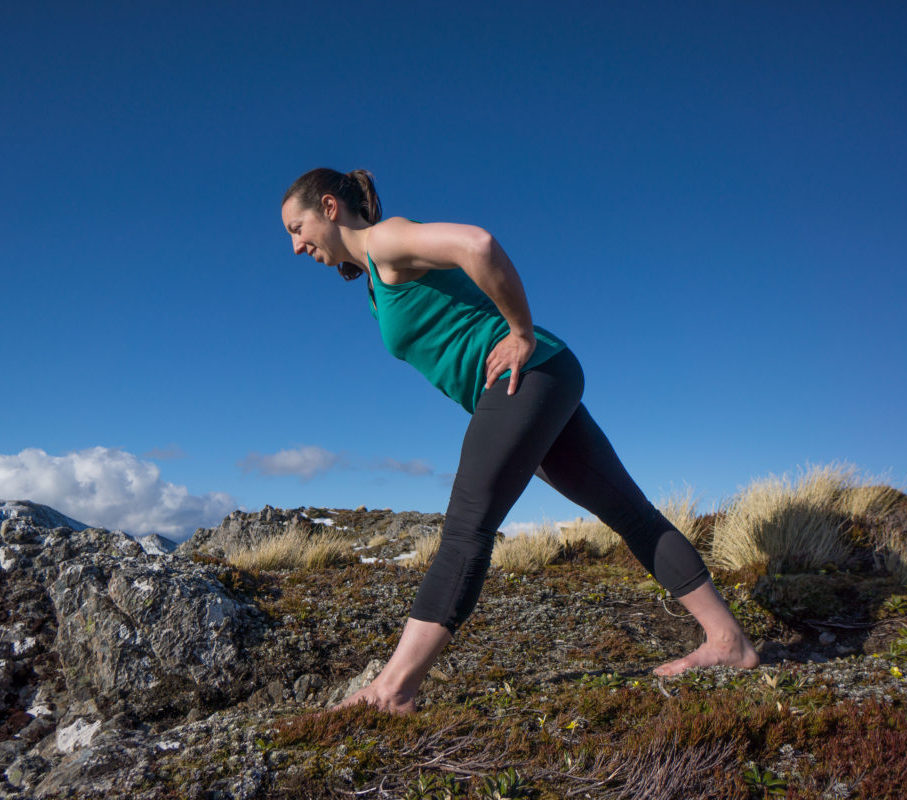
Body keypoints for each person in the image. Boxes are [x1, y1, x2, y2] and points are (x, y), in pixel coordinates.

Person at [280, 167, 759, 715]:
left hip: (528, 376)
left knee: (466, 526)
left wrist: (520, 332)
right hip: (538, 381)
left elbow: (476, 243)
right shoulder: (372, 275)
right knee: (628, 512)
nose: (296, 246)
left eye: (297, 228)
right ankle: (730, 644)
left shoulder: (386, 240)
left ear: (330, 207)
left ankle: (393, 689)